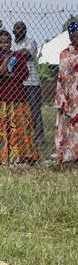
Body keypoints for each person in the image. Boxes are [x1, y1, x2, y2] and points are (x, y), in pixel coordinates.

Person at [0, 30, 39, 165]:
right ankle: (1, 156)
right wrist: (5, 61)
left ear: (11, 42)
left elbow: (24, 74)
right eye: (2, 43)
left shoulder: (19, 56)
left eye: (8, 42)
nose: (6, 45)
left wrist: (8, 75)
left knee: (20, 126)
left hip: (18, 96)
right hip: (2, 98)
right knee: (2, 128)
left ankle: (23, 155)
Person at [11, 21, 43, 147]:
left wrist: (12, 55)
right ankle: (23, 135)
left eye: (22, 29)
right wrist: (16, 54)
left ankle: (39, 137)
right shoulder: (11, 43)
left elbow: (26, 54)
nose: (20, 31)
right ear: (13, 31)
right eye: (17, 28)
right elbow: (15, 56)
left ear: (25, 31)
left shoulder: (31, 42)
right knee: (19, 110)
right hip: (16, 81)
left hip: (31, 81)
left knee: (34, 110)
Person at [55, 22, 78, 165]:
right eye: (76, 36)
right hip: (70, 97)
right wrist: (61, 99)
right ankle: (71, 155)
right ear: (71, 37)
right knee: (69, 125)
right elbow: (61, 77)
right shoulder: (65, 54)